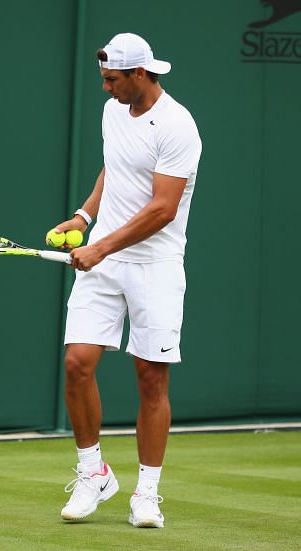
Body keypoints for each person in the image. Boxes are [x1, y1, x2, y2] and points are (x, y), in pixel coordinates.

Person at [53, 33, 202, 528]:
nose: (105, 88)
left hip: (154, 266)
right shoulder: (114, 110)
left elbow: (162, 209)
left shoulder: (178, 126)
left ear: (140, 74)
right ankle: (93, 471)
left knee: (151, 378)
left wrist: (99, 246)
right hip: (106, 260)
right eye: (103, 79)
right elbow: (113, 171)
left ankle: (147, 493)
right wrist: (83, 216)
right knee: (77, 363)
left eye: (112, 79)